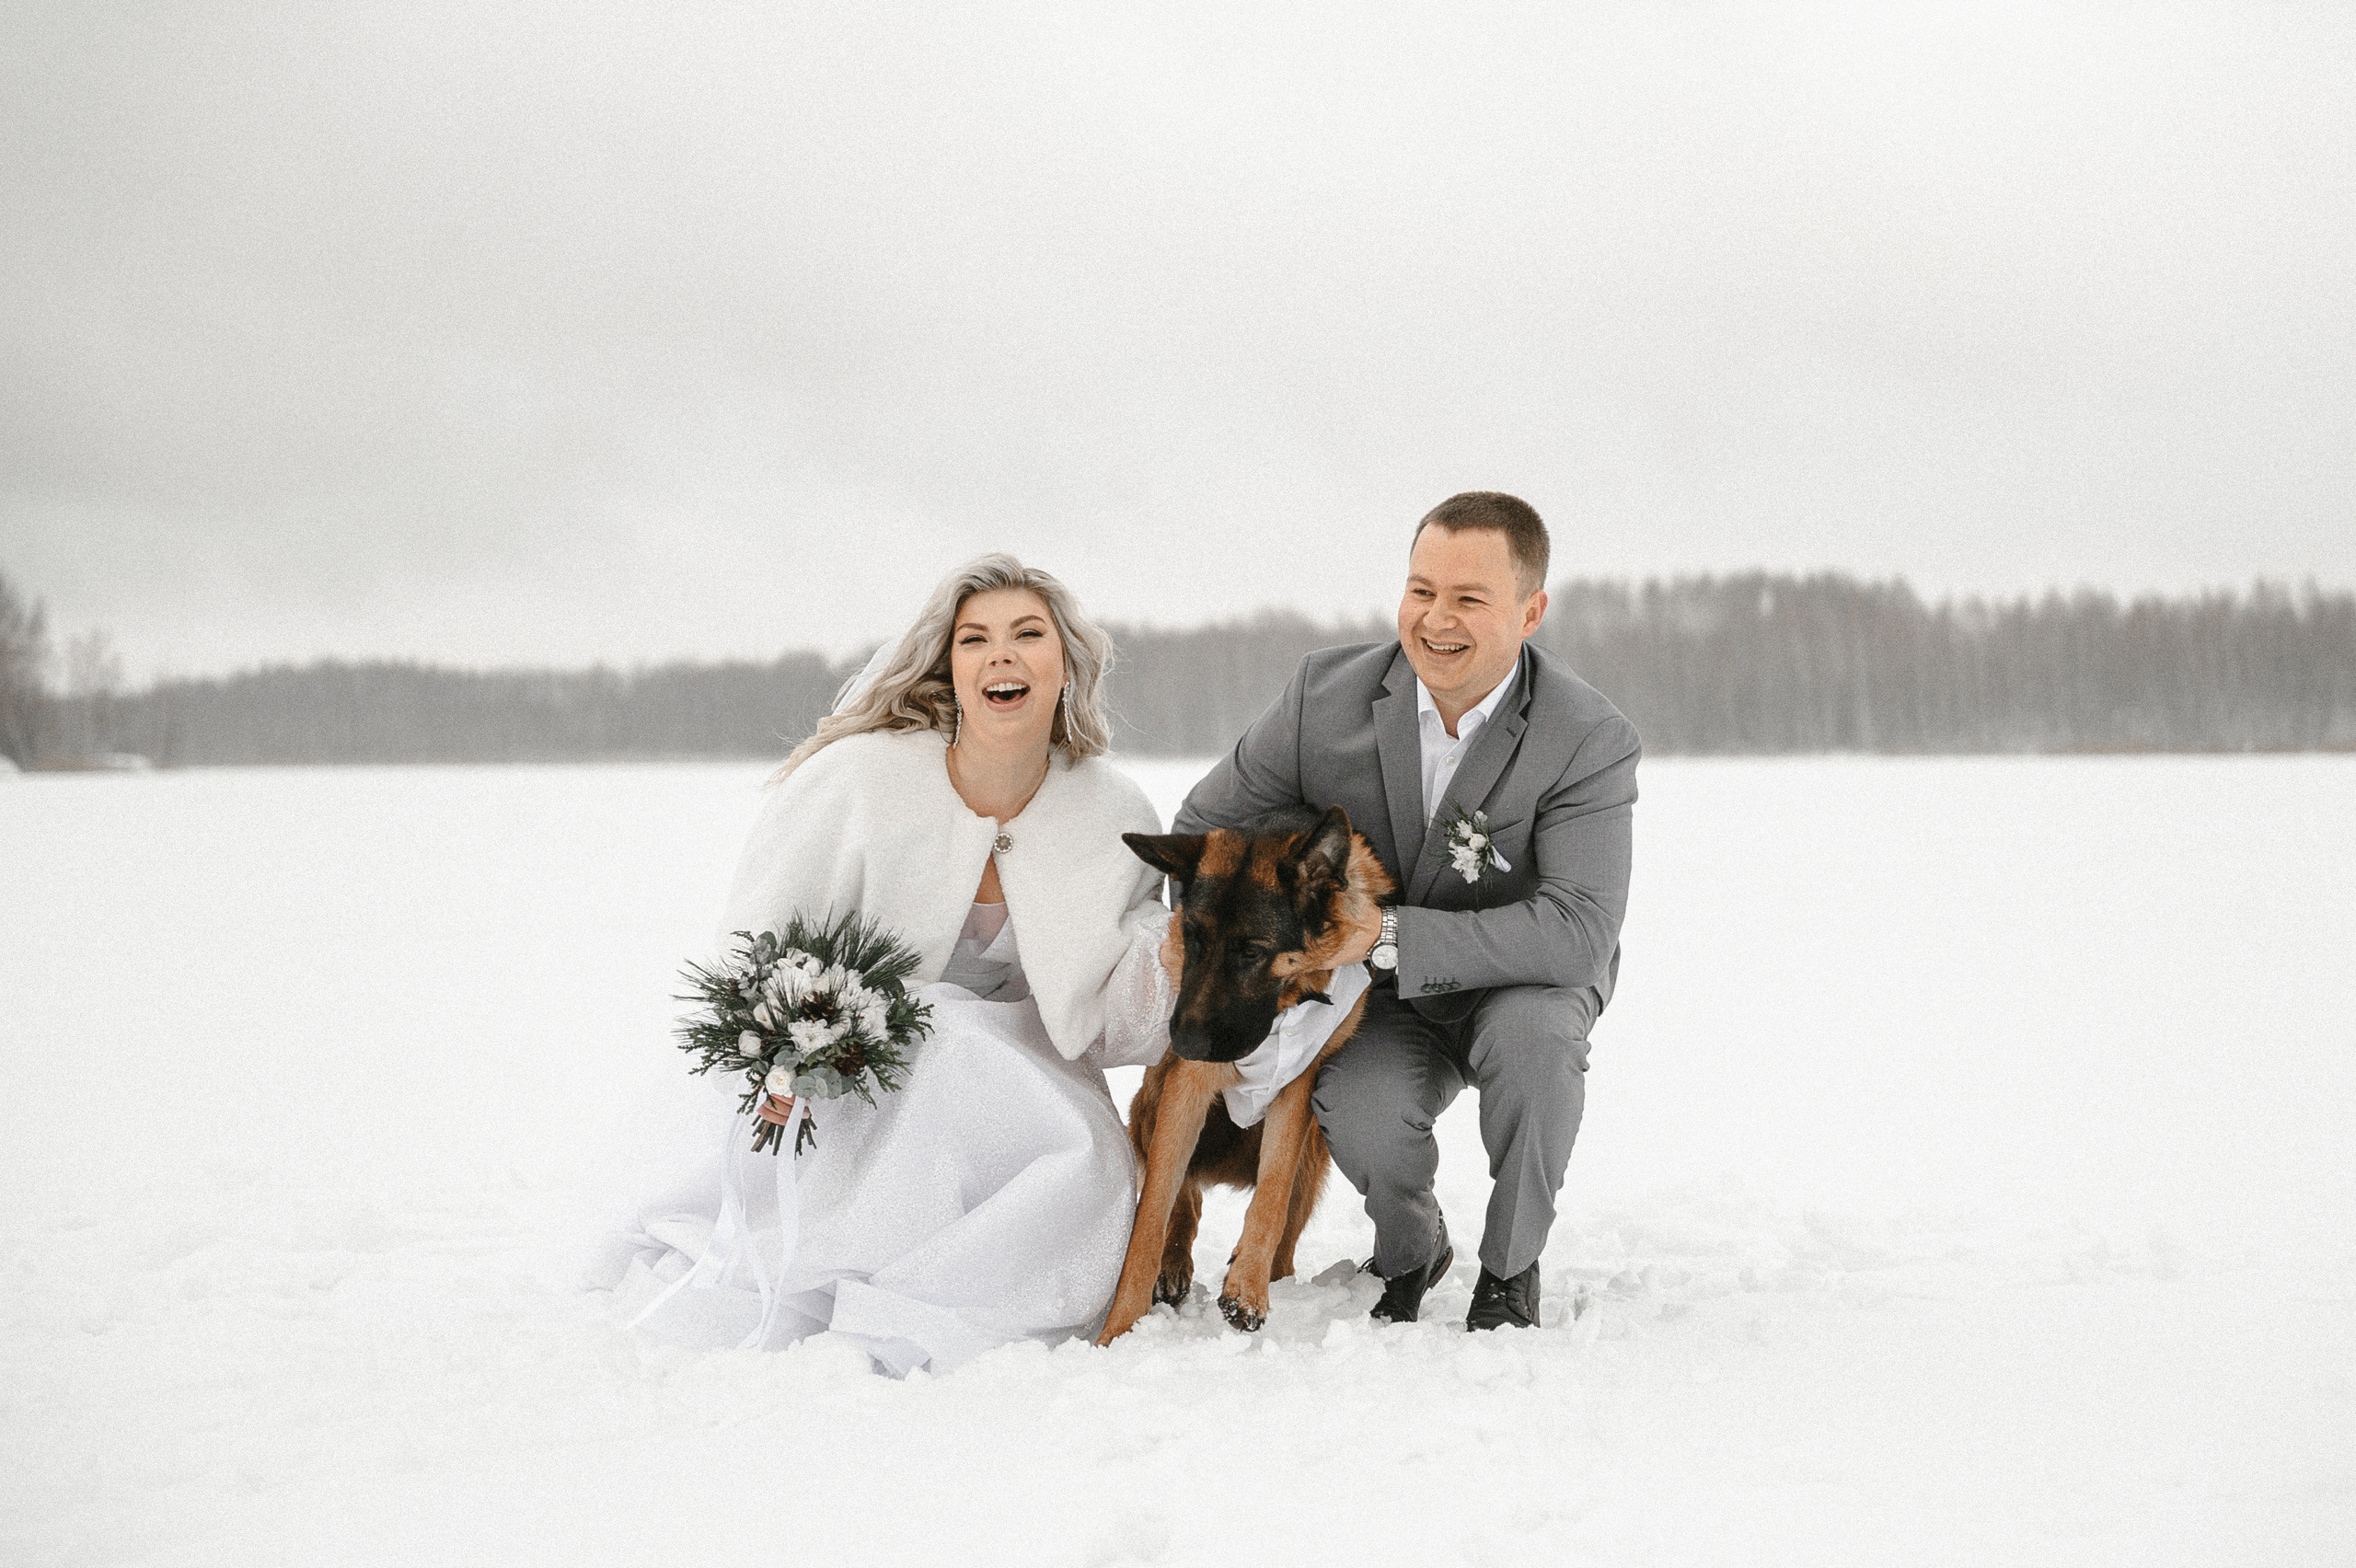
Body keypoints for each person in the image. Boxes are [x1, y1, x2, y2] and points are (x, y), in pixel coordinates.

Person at [591, 554, 1191, 1375]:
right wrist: (798, 1041)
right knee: (938, 1041)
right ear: (949, 666)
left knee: (1076, 1158)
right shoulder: (860, 780)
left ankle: (954, 1291)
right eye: (974, 639)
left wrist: (1187, 949)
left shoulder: (1114, 810)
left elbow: (1121, 1022)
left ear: (1066, 664)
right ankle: (841, 1273)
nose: (1001, 655)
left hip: (1034, 1093)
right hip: (858, 1082)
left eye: (1027, 635)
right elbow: (755, 948)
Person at [1173, 492, 1639, 1331]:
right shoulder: (1326, 695)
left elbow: (1578, 930)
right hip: (1381, 1000)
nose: (1436, 620)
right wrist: (1236, 944)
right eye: (1422, 590)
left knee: (1537, 1049)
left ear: (1531, 612)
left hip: (1527, 981)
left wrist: (1386, 934)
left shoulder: (1586, 736)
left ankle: (1510, 1270)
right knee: (1361, 1111)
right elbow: (1203, 829)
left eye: (1469, 598)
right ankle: (1415, 1245)